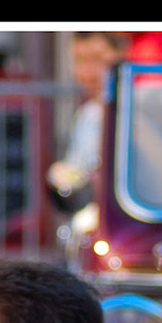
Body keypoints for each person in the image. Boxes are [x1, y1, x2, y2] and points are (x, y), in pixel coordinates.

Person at [48, 31, 127, 208]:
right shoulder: (87, 115)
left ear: (122, 56)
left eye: (98, 59)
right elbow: (77, 173)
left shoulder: (135, 116)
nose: (88, 73)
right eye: (80, 60)